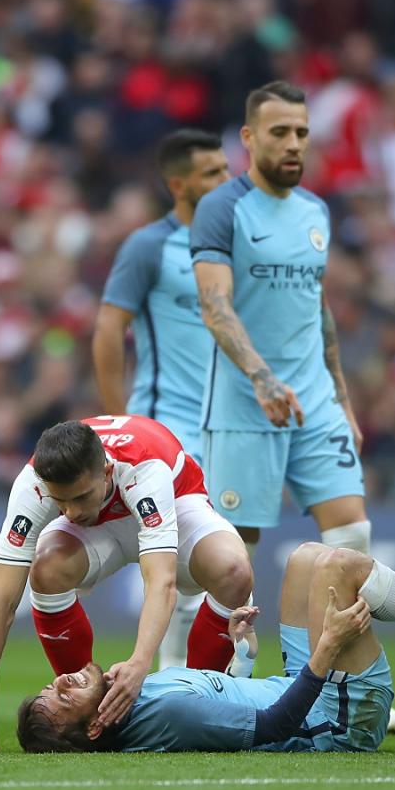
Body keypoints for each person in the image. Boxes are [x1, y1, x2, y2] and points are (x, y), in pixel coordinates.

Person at [190, 80, 395, 733]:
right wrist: (262, 378)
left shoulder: (316, 210)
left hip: (314, 399)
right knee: (234, 556)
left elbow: (316, 311)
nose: (293, 144)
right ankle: (226, 679)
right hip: (244, 402)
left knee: (352, 534)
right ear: (250, 139)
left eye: (301, 133)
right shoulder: (223, 209)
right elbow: (215, 305)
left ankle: (342, 681)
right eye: (280, 132)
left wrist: (340, 395)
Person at [15, 544, 395, 753]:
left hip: (302, 688)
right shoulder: (165, 709)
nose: (59, 679)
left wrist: (243, 658)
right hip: (341, 721)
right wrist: (328, 647)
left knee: (304, 560)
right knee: (339, 567)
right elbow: (274, 726)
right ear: (97, 724)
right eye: (62, 698)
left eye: (49, 685)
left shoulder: (137, 691)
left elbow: (232, 708)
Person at [0, 414, 253, 753]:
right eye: (60, 500)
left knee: (233, 570)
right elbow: (0, 601)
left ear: (107, 472)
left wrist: (139, 665)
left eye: (79, 497)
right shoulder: (33, 486)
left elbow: (161, 582)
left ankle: (195, 699)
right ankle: (86, 713)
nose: (69, 512)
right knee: (46, 567)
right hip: (99, 529)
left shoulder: (144, 468)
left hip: (175, 506)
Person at [92, 129, 232, 670]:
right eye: (213, 173)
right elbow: (109, 329)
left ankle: (218, 682)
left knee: (226, 557)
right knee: (177, 556)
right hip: (167, 424)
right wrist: (116, 424)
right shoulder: (149, 245)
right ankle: (175, 680)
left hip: (230, 426)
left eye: (227, 169)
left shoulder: (232, 244)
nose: (227, 181)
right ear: (180, 183)